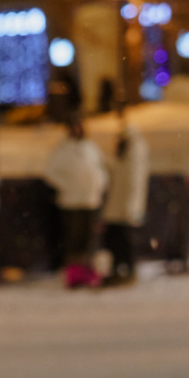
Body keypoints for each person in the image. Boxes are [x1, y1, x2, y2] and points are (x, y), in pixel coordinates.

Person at [44, 118, 108, 289]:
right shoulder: (62, 150)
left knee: (90, 239)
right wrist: (67, 186)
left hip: (91, 199)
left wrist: (99, 185)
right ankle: (75, 274)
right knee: (74, 238)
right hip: (71, 201)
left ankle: (88, 273)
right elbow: (51, 172)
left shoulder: (91, 147)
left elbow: (101, 168)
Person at [102, 118, 149, 287]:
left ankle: (127, 271)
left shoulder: (134, 152)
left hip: (125, 208)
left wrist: (131, 208)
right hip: (117, 207)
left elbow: (134, 182)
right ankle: (118, 270)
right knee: (114, 240)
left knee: (125, 242)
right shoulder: (126, 155)